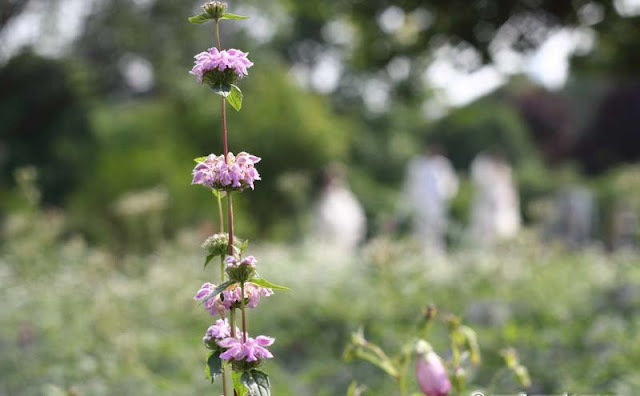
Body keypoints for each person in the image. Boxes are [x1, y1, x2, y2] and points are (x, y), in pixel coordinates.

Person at [403, 145, 459, 253]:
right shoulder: (417, 164)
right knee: (419, 233)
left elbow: (450, 187)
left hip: (437, 207)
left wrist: (444, 195)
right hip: (420, 206)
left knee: (436, 234)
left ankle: (436, 256)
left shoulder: (443, 165)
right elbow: (410, 187)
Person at [470, 150, 521, 247]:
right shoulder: (488, 175)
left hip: (504, 208)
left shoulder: (506, 171)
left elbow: (511, 191)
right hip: (490, 209)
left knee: (505, 230)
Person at [311, 164, 366, 251]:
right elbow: (318, 222)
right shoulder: (323, 199)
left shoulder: (348, 198)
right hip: (327, 243)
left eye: (336, 177)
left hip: (347, 242)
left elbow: (358, 220)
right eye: (330, 178)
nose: (334, 181)